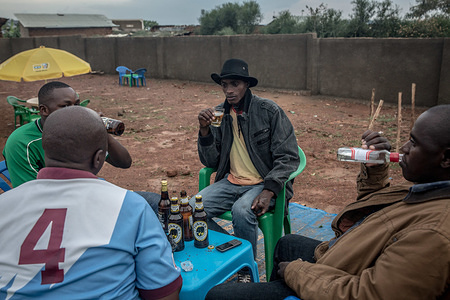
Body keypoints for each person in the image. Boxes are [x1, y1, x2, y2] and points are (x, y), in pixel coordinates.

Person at [206, 104, 450, 299]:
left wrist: (297, 272)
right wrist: (375, 171)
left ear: (446, 158)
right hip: (348, 256)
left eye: (415, 143)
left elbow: (368, 293)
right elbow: (376, 215)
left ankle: (256, 274)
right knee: (285, 243)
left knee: (218, 294)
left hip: (344, 277)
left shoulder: (435, 234)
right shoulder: (429, 187)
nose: (404, 148)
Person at [0, 106, 182, 299]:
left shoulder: (4, 203)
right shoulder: (130, 206)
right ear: (99, 158)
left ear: (45, 153)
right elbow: (163, 293)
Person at [190, 58, 300, 281]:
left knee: (242, 210)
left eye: (235, 84)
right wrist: (204, 131)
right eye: (224, 85)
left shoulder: (268, 111)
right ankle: (235, 252)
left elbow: (288, 157)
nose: (229, 91)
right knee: (192, 209)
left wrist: (269, 190)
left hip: (262, 182)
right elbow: (209, 161)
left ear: (246, 85)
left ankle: (245, 269)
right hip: (231, 181)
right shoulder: (219, 115)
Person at [2, 81, 160, 212]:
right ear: (44, 110)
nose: (75, 111)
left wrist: (101, 131)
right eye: (65, 106)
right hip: (63, 209)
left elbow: (124, 162)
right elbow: (32, 199)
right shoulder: (21, 142)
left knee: (158, 203)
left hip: (89, 193)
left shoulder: (80, 130)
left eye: (77, 105)